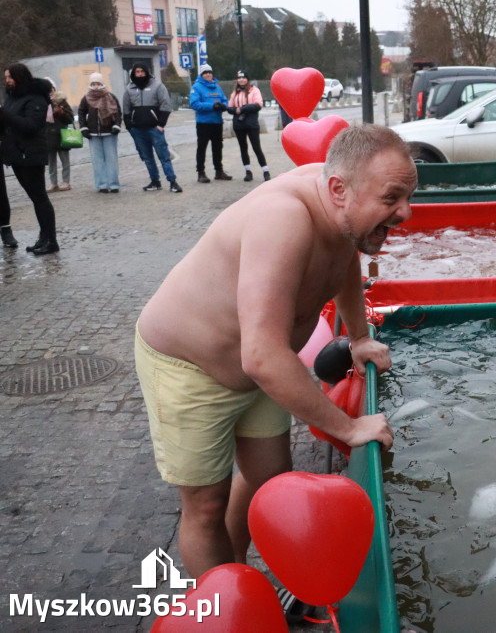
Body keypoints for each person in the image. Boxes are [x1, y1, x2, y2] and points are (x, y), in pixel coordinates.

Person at [134, 124, 415, 580]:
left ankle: (240, 572)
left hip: (261, 366)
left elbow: (346, 256)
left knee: (271, 479)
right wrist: (347, 427)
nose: (406, 213)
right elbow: (262, 356)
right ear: (340, 189)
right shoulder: (283, 218)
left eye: (408, 197)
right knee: (206, 506)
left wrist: (359, 337)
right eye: (392, 199)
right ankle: (226, 615)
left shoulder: (338, 203)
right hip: (189, 367)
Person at [0, 63, 59, 255]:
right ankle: (43, 237)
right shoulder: (12, 97)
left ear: (20, 77)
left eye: (10, 76)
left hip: (31, 153)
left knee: (40, 197)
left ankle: (51, 240)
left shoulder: (36, 98)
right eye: (6, 76)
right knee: (35, 198)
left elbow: (31, 126)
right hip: (16, 154)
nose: (7, 80)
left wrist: (3, 114)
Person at [123, 63, 180, 193]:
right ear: (134, 74)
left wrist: (160, 125)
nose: (140, 74)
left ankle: (172, 182)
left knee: (164, 156)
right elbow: (126, 110)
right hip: (138, 130)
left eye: (142, 71)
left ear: (146, 72)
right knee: (147, 158)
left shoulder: (158, 86)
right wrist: (130, 128)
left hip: (155, 129)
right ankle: (155, 181)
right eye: (137, 72)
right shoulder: (129, 89)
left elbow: (166, 106)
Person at [78, 72, 123, 194]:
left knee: (111, 159)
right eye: (93, 83)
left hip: (109, 132)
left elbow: (118, 112)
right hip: (93, 134)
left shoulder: (110, 96)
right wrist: (84, 128)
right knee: (97, 160)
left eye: (98, 83)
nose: (96, 86)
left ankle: (113, 184)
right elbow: (81, 112)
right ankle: (102, 184)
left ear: (102, 83)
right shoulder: (86, 97)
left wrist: (116, 125)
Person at [189, 63, 233, 183]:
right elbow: (194, 104)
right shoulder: (196, 87)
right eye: (205, 73)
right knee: (202, 148)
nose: (208, 74)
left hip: (217, 122)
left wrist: (224, 106)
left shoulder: (217, 87)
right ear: (201, 75)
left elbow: (224, 100)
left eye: (209, 72)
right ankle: (201, 172)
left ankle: (219, 171)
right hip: (203, 123)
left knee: (218, 147)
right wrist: (212, 106)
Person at [227, 71, 271, 182]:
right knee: (243, 148)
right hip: (239, 124)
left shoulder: (254, 90)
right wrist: (235, 110)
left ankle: (265, 171)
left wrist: (242, 109)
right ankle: (248, 171)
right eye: (239, 78)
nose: (241, 80)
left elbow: (258, 105)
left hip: (251, 123)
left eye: (243, 78)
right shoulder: (235, 93)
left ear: (247, 79)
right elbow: (230, 107)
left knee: (256, 147)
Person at [45, 83, 74, 193]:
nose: (50, 92)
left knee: (64, 160)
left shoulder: (61, 101)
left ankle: (66, 182)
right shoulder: (41, 102)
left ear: (54, 89)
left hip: (61, 134)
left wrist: (61, 113)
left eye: (51, 89)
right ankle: (53, 183)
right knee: (51, 162)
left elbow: (70, 119)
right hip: (48, 135)